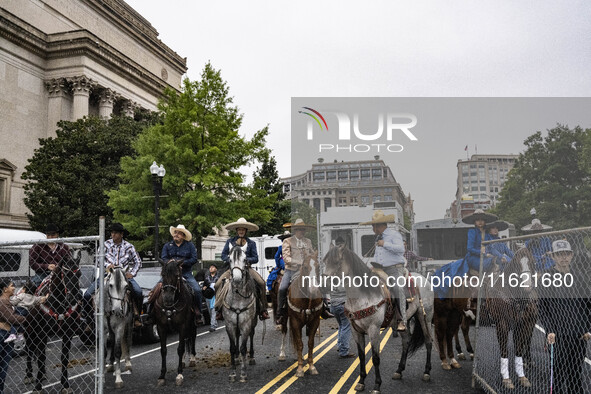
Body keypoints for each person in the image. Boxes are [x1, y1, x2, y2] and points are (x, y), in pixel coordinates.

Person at [538, 240, 591, 394]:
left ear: (572, 255)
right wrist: (549, 330)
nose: (563, 258)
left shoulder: (580, 277)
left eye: (566, 254)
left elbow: (588, 305)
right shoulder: (547, 277)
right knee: (559, 375)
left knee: (576, 375)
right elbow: (543, 308)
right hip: (557, 335)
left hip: (578, 335)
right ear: (553, 256)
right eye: (559, 255)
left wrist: (588, 329)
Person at [83, 223, 143, 327]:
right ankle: (89, 320)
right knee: (87, 295)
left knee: (138, 292)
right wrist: (107, 265)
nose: (113, 234)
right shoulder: (105, 245)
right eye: (112, 232)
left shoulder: (129, 246)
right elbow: (97, 260)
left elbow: (138, 262)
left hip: (123, 276)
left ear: (121, 234)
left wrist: (132, 273)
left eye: (115, 232)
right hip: (107, 275)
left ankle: (136, 317)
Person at [433, 209, 499, 300]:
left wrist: (497, 255)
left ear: (485, 221)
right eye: (477, 220)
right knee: (490, 262)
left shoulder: (487, 234)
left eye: (482, 220)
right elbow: (470, 248)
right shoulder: (472, 232)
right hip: (473, 257)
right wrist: (483, 253)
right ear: (474, 222)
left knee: (497, 262)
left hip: (485, 257)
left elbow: (492, 247)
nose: (480, 222)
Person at [361, 210, 408, 331]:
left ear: (379, 225)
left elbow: (401, 250)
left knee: (397, 288)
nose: (372, 228)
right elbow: (378, 255)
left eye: (373, 225)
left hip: (395, 269)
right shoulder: (378, 237)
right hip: (380, 269)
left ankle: (402, 319)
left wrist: (385, 244)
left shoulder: (393, 235)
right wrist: (373, 266)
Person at [215, 218, 269, 321]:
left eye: (243, 229)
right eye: (239, 229)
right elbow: (223, 255)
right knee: (217, 284)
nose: (241, 231)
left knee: (261, 283)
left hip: (247, 268)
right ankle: (219, 309)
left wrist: (245, 260)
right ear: (236, 230)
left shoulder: (251, 243)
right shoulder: (229, 241)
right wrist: (231, 260)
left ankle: (263, 309)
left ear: (246, 230)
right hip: (231, 268)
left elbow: (256, 258)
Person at [275, 219, 316, 325]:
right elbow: (286, 258)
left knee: (317, 285)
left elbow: (312, 254)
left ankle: (323, 307)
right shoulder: (287, 241)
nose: (301, 232)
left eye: (303, 230)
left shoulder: (308, 241)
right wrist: (299, 262)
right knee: (282, 288)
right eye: (299, 229)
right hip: (291, 270)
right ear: (295, 230)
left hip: (307, 270)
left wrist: (314, 259)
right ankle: (280, 312)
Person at [161, 224, 203, 323]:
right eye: (175, 232)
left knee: (197, 290)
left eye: (179, 233)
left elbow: (194, 259)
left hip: (186, 273)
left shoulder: (190, 246)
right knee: (156, 289)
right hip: (170, 274)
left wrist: (182, 263)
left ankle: (198, 313)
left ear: (183, 236)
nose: (176, 234)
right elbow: (164, 258)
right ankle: (152, 313)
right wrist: (171, 263)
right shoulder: (167, 246)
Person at [0, 279, 26, 394]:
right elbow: (11, 318)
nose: (14, 288)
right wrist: (27, 318)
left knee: (4, 368)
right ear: (5, 289)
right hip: (3, 334)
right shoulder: (2, 301)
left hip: (7, 334)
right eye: (11, 286)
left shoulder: (7, 300)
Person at [331, 237, 355, 358]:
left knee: (341, 325)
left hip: (333, 304)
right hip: (342, 303)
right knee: (346, 326)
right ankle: (344, 350)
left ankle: (340, 345)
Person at [29, 224, 71, 288]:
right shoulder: (38, 246)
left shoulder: (64, 247)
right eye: (48, 235)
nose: (50, 237)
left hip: (61, 274)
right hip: (43, 273)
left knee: (76, 291)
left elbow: (69, 262)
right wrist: (47, 266)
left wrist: (59, 267)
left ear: (57, 235)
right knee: (32, 287)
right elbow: (32, 262)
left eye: (53, 234)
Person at [203, 264, 218, 332]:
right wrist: (204, 288)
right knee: (210, 311)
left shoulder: (218, 278)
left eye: (213, 267)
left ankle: (212, 326)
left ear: (216, 269)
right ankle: (215, 323)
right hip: (208, 296)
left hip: (215, 296)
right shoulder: (207, 278)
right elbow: (204, 286)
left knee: (213, 310)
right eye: (210, 267)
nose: (211, 268)